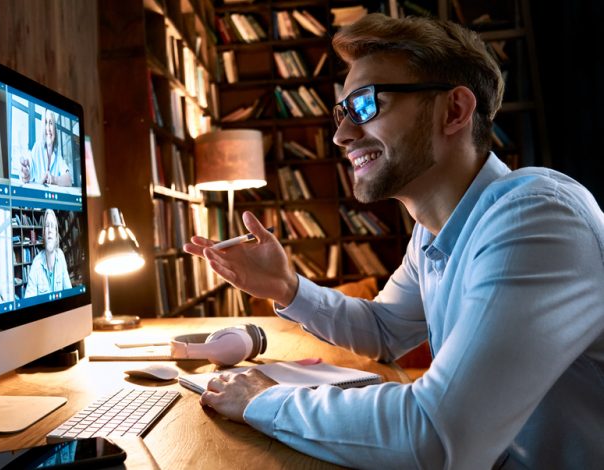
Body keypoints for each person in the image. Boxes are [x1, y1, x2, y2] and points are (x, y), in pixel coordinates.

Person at [184, 13, 604, 469]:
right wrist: (287, 288)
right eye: (341, 113)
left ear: (455, 111)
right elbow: (385, 331)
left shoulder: (537, 217)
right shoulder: (434, 229)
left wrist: (264, 401)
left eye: (365, 105)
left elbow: (437, 436)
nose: (342, 135)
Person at [24, 208, 72, 298]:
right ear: (43, 234)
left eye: (52, 226)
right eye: (47, 226)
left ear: (56, 234)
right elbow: (29, 300)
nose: (50, 230)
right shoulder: (36, 263)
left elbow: (68, 291)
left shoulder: (61, 256)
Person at [20, 108, 72, 186]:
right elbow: (28, 172)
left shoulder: (57, 154)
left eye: (51, 123)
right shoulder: (37, 147)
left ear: (55, 128)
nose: (48, 128)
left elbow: (69, 180)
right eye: (45, 123)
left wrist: (53, 179)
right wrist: (25, 173)